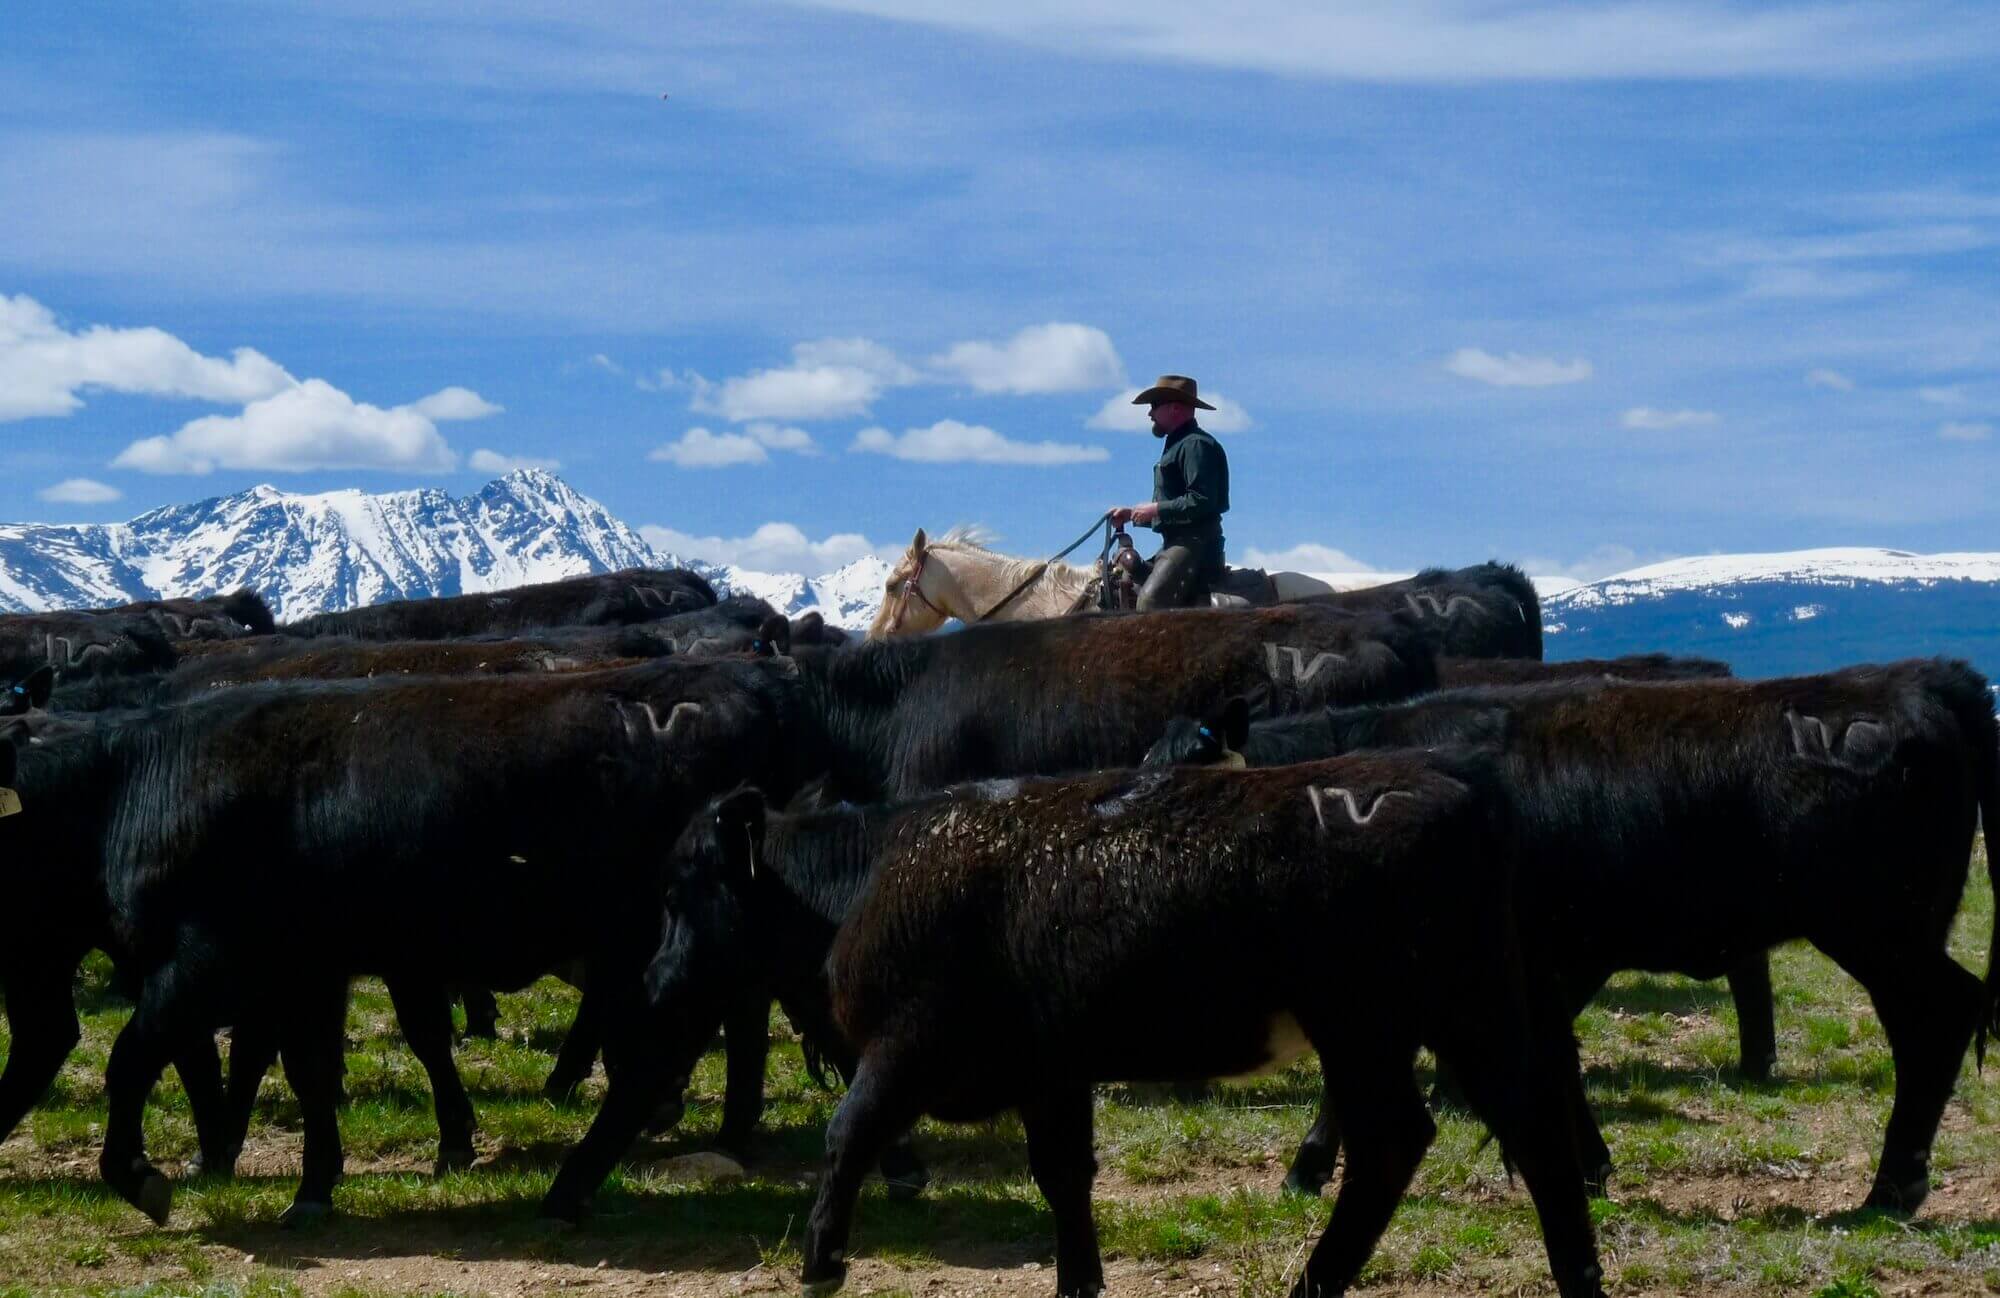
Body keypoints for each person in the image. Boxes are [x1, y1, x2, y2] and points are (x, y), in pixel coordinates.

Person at [1108, 374, 1230, 610]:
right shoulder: (1180, 444)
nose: (1150, 414)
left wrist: (1154, 509)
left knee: (1150, 602)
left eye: (1155, 406)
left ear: (1175, 408)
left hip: (1196, 546)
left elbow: (1201, 500)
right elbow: (1177, 506)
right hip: (1177, 544)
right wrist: (1132, 514)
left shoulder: (1195, 445)